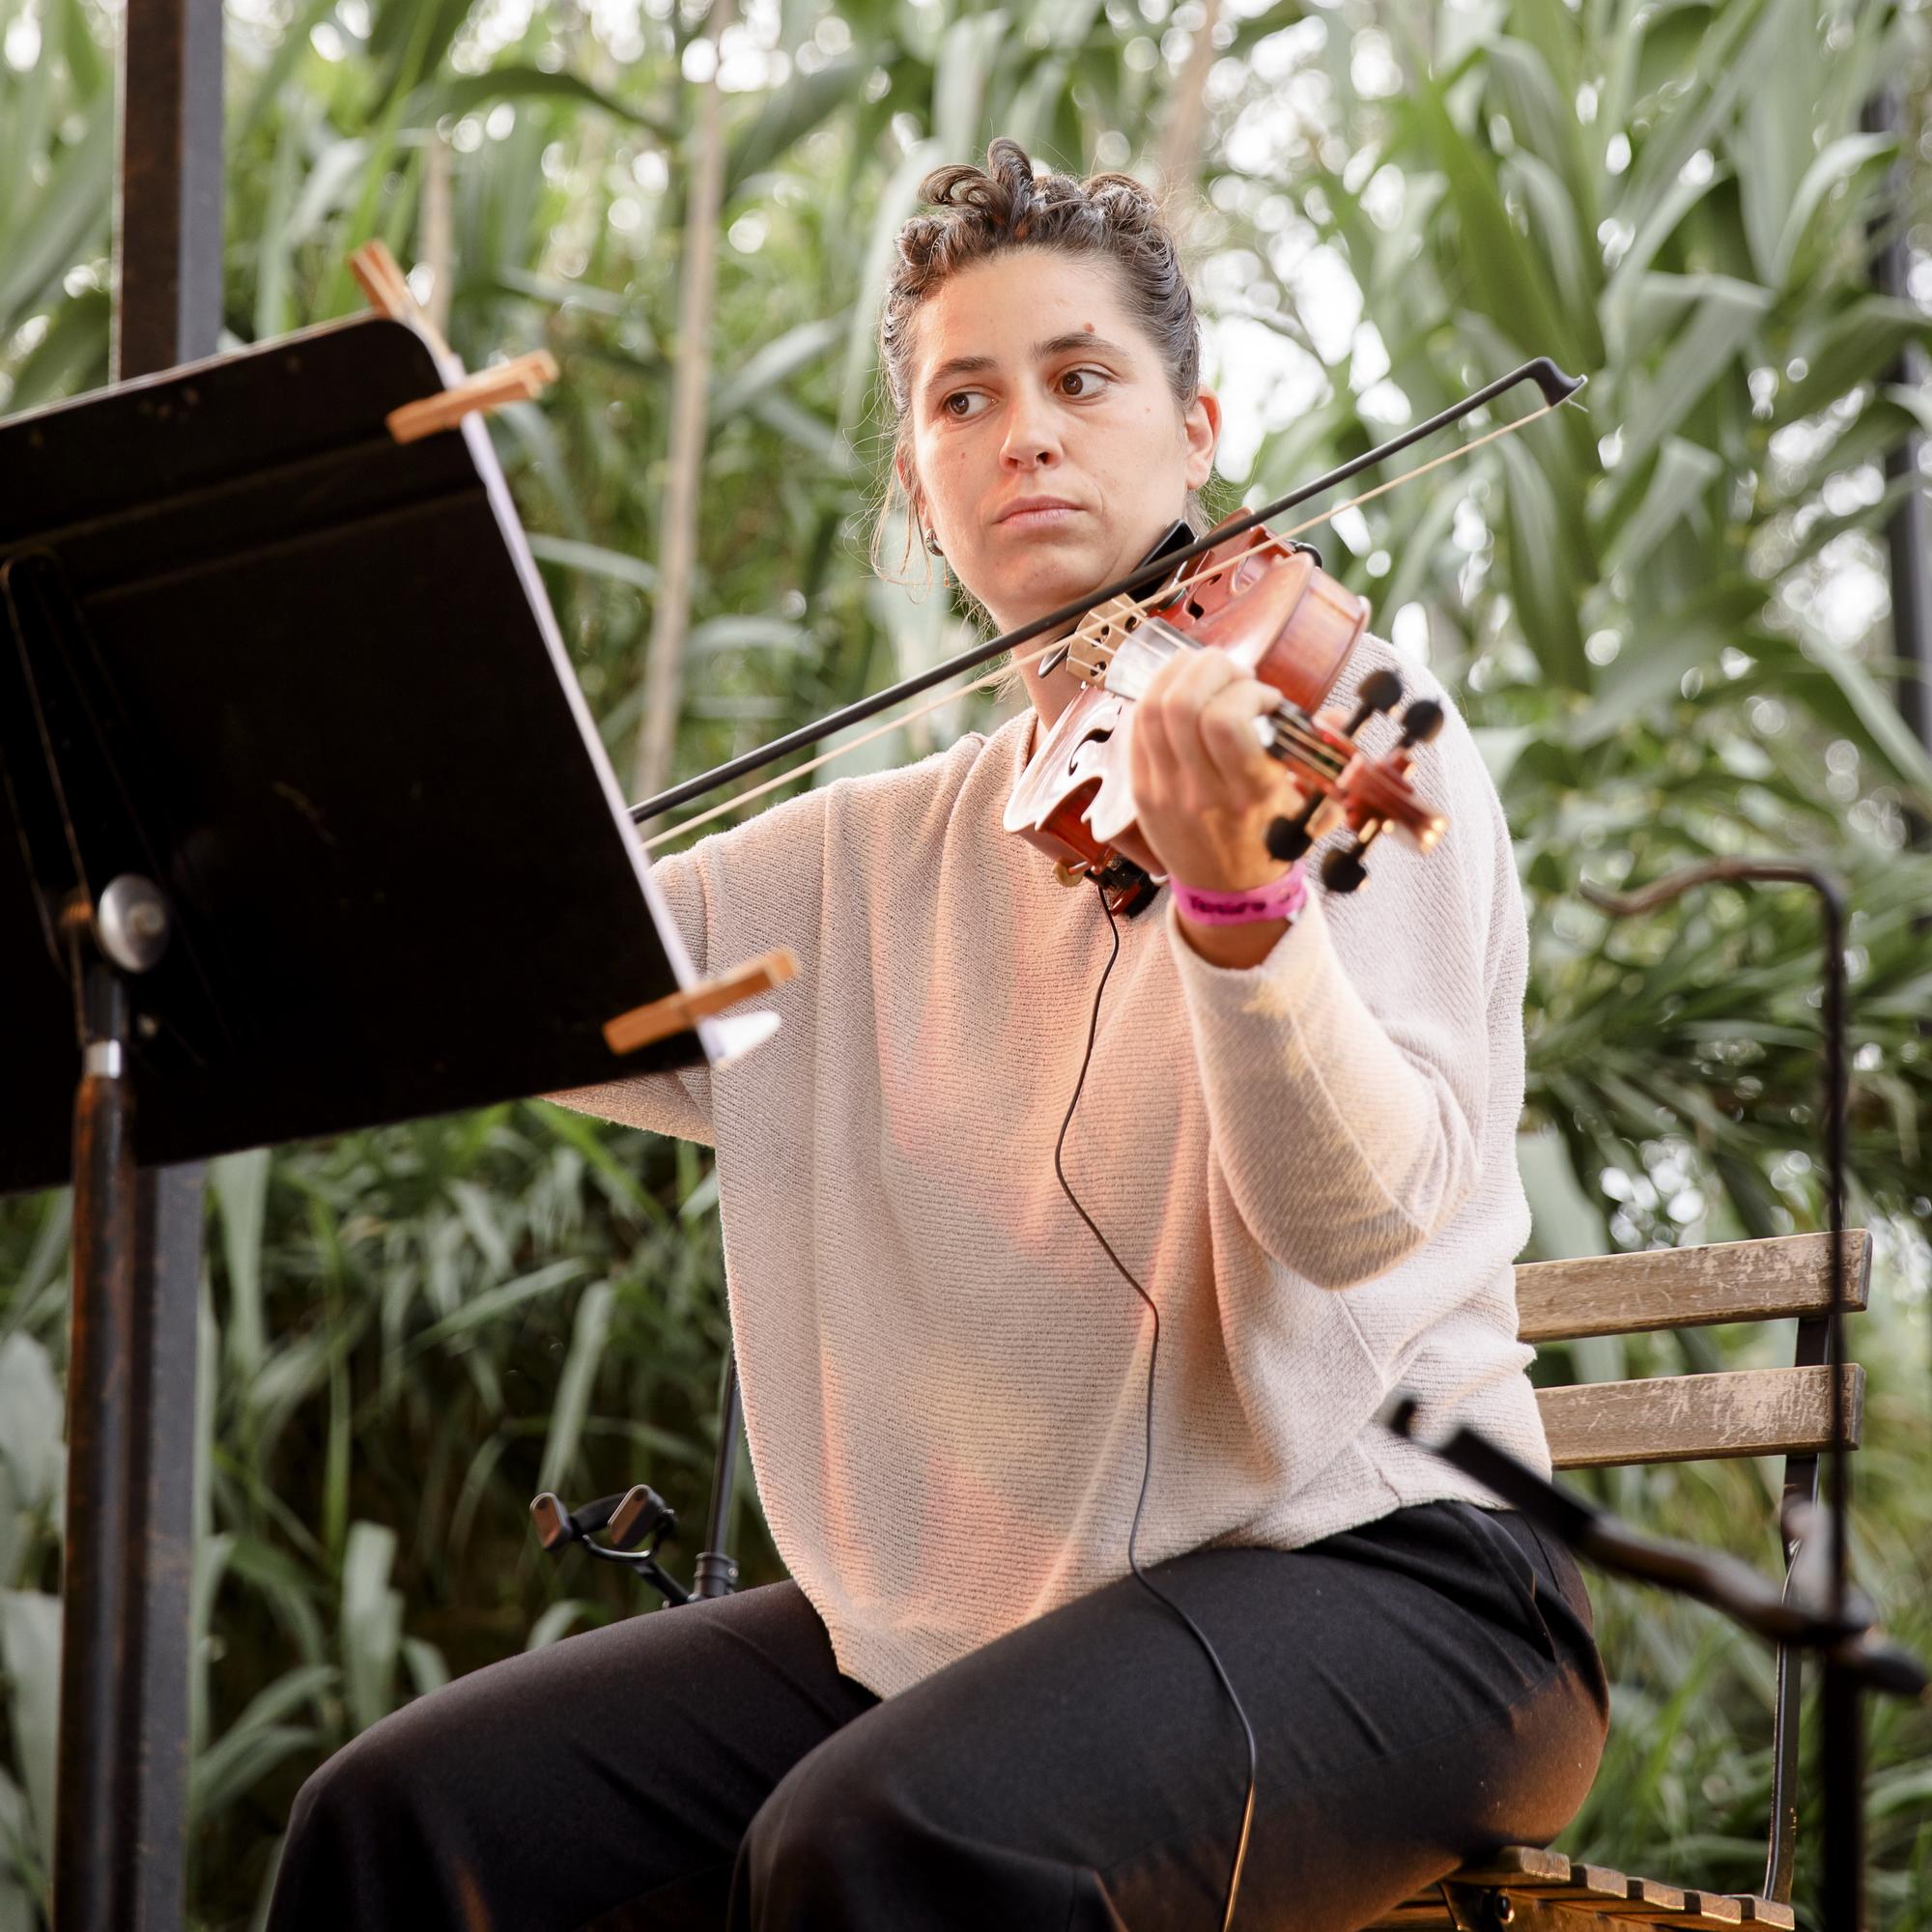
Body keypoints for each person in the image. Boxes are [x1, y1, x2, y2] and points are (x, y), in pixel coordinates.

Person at [266, 138, 1607, 1932]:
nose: (1023, 435)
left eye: (1081, 379)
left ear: (1198, 430)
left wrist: (1241, 915)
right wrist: (382, 641)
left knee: (880, 1843)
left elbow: (1359, 1221)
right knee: (403, 1824)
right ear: (917, 482)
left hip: (1403, 1584)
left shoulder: (1344, 727)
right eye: (964, 400)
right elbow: (525, 977)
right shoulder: (870, 857)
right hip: (1004, 1627)